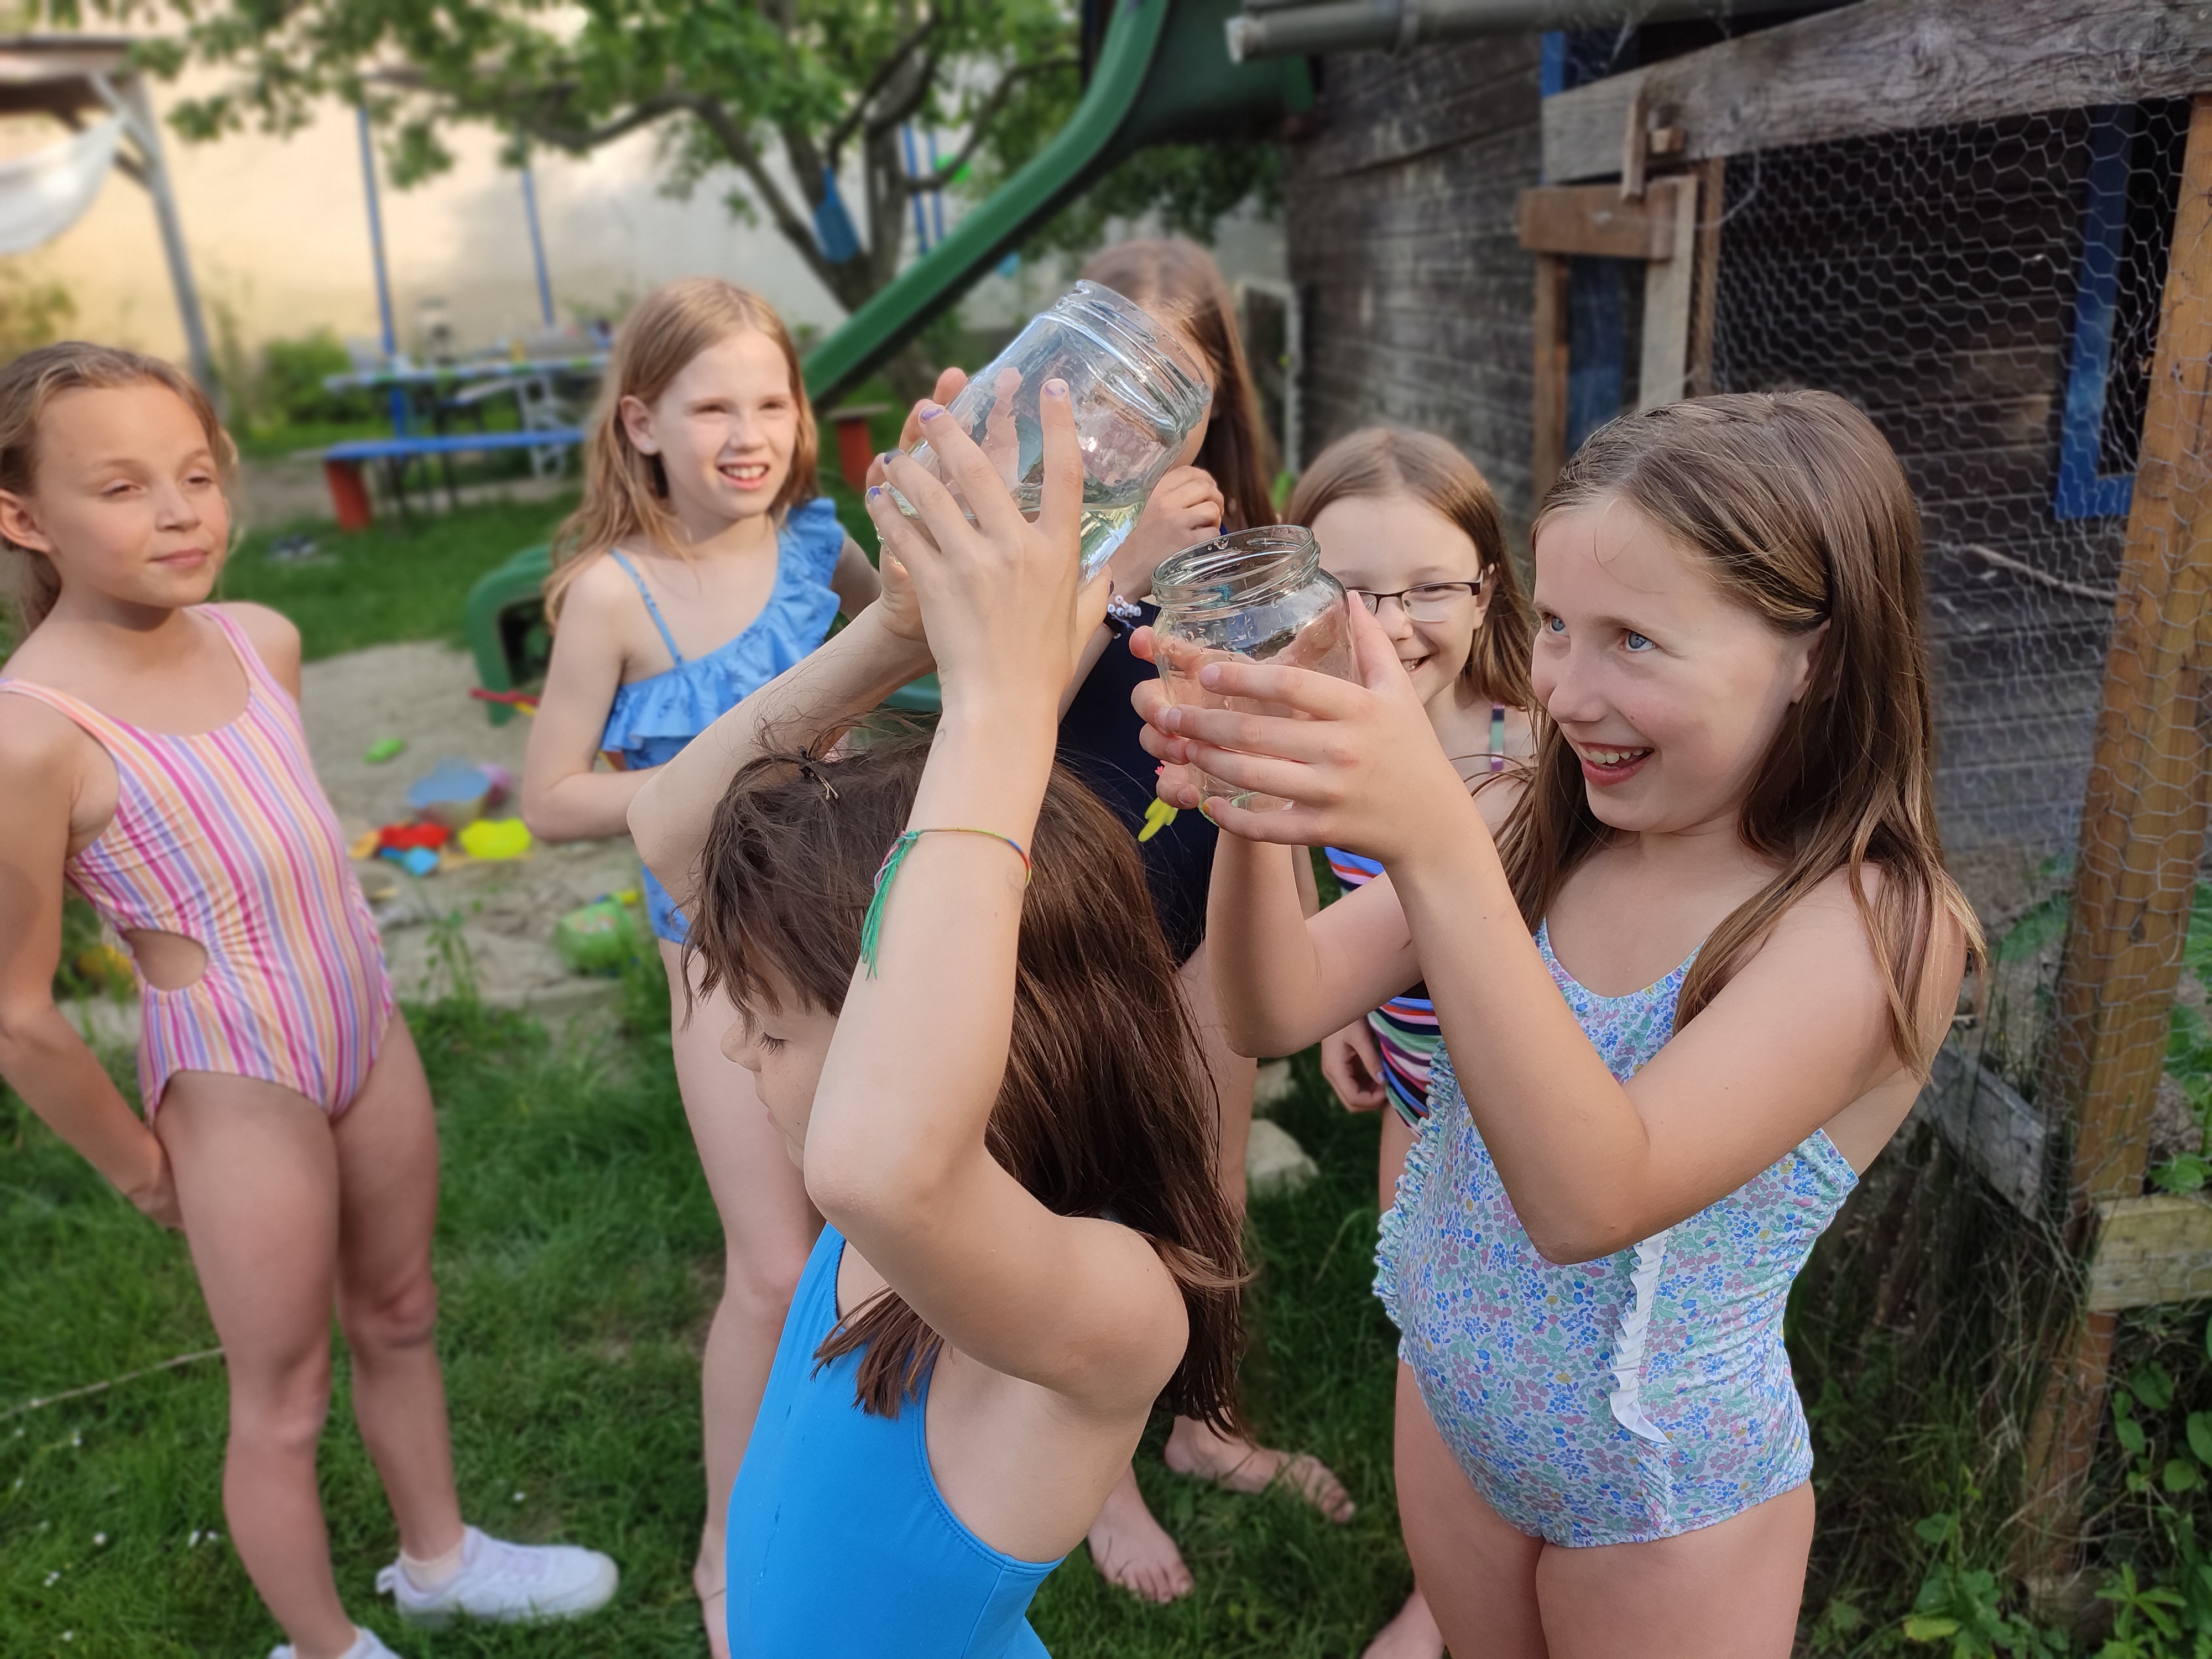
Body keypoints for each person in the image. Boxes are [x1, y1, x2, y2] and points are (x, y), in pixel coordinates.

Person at [1136, 392, 1978, 1656]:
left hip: (1656, 1502)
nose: (1568, 692)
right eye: (1559, 628)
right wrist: (1250, 801)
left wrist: (1431, 841)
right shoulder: (1528, 820)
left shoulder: (1872, 927)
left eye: (1634, 641)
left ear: (1817, 658)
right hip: (1451, 1409)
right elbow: (1273, 1005)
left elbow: (1590, 1198)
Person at [0, 343, 618, 1659]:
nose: (180, 513)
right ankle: (323, 1645)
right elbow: (17, 1013)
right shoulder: (30, 732)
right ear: (23, 516)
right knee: (281, 1398)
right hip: (237, 1078)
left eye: (197, 475)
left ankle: (439, 1562)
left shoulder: (261, 638)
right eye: (121, 487)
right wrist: (142, 1171)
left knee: (400, 1311)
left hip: (364, 1025)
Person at [625, 377, 1246, 1656]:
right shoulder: (890, 1204)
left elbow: (880, 1163)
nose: (732, 1043)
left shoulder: (1110, 1302)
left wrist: (1000, 708)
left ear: (981, 1037)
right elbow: (668, 832)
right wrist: (895, 633)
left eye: (775, 1031)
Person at [889, 236, 1353, 1605]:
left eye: (1172, 386)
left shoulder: (1238, 522)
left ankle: (1207, 1421)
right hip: (1065, 901)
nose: (1123, 416)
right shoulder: (1030, 521)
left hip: (1202, 881)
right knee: (1070, 1187)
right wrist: (1122, 560)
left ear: (1215, 403)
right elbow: (1005, 702)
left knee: (1207, 1169)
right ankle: (1101, 1474)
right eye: (1101, 380)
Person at [518, 278, 881, 1656]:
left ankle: (848, 1488)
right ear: (641, 425)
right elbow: (551, 795)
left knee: (875, 1238)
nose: (749, 433)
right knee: (774, 1266)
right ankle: (729, 1540)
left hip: (851, 936)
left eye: (771, 402)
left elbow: (893, 661)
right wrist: (714, 779)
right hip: (720, 964)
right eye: (711, 406)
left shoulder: (818, 549)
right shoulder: (612, 596)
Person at [1289, 429, 1537, 1659]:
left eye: (1429, 587)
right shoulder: (1318, 730)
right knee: (1429, 1336)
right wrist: (1345, 1005)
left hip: (1526, 1123)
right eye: (1349, 588)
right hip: (1414, 1099)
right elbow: (1320, 875)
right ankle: (1444, 1587)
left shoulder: (1530, 756)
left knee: (1516, 1352)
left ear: (1486, 590)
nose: (1387, 622)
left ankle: (1493, 1577)